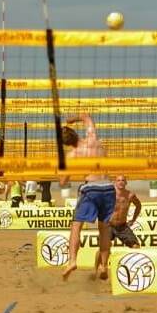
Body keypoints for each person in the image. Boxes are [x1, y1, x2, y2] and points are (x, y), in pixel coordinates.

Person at [60, 113, 115, 281]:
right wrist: (72, 119)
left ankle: (72, 261)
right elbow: (87, 117)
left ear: (66, 144)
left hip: (90, 188)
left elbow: (62, 182)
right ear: (76, 134)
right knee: (104, 229)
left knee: (76, 226)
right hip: (108, 187)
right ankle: (104, 265)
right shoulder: (92, 139)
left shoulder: (72, 156)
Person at [93, 175, 142, 271]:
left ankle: (133, 269)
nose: (121, 182)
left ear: (126, 182)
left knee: (136, 246)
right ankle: (97, 269)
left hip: (122, 226)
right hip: (108, 225)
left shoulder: (130, 195)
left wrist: (133, 220)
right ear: (115, 182)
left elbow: (139, 206)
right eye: (118, 180)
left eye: (123, 180)